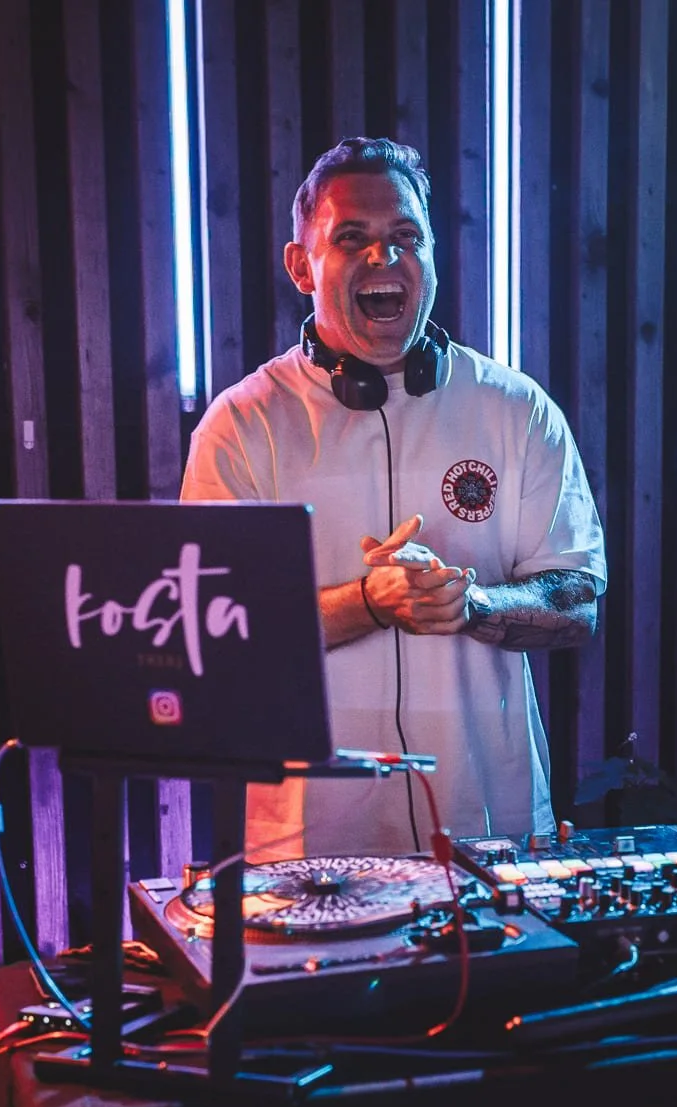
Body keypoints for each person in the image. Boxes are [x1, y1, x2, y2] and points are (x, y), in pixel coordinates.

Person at [181, 137, 606, 856]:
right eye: (352, 237)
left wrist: (473, 605)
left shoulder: (517, 409)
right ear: (301, 266)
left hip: (487, 824)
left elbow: (577, 602)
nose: (385, 256)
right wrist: (369, 602)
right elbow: (215, 635)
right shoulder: (242, 425)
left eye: (407, 236)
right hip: (312, 846)